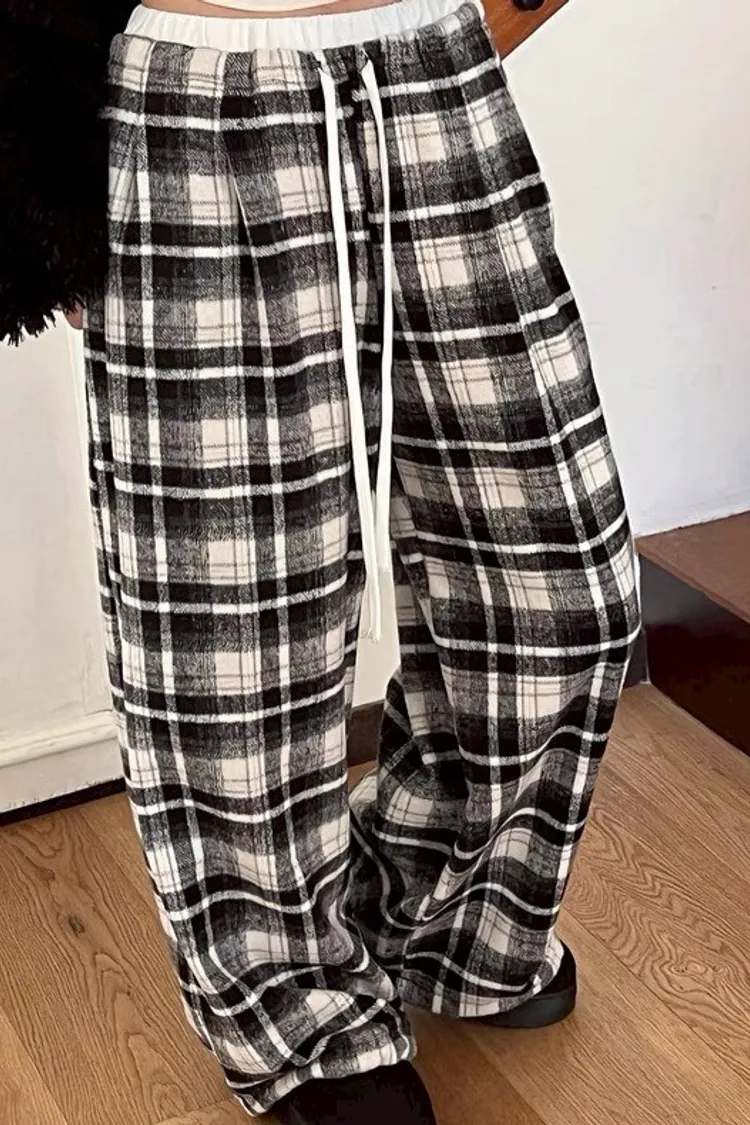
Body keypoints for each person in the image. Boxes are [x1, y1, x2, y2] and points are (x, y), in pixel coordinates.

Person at [0, 0, 641, 1120]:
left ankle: (443, 913)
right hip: (192, 92)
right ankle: (294, 1010)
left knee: (561, 587)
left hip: (429, 66)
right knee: (231, 636)